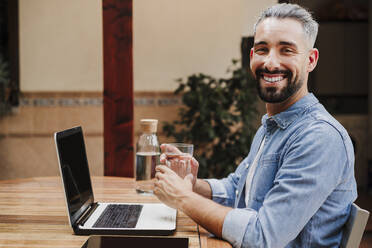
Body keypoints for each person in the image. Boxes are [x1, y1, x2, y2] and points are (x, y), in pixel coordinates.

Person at [153, 3, 357, 248]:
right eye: (263, 49)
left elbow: (262, 237)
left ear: (311, 60)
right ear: (252, 57)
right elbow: (239, 188)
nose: (271, 63)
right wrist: (191, 184)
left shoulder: (319, 137)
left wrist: (183, 197)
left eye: (286, 50)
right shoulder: (270, 127)